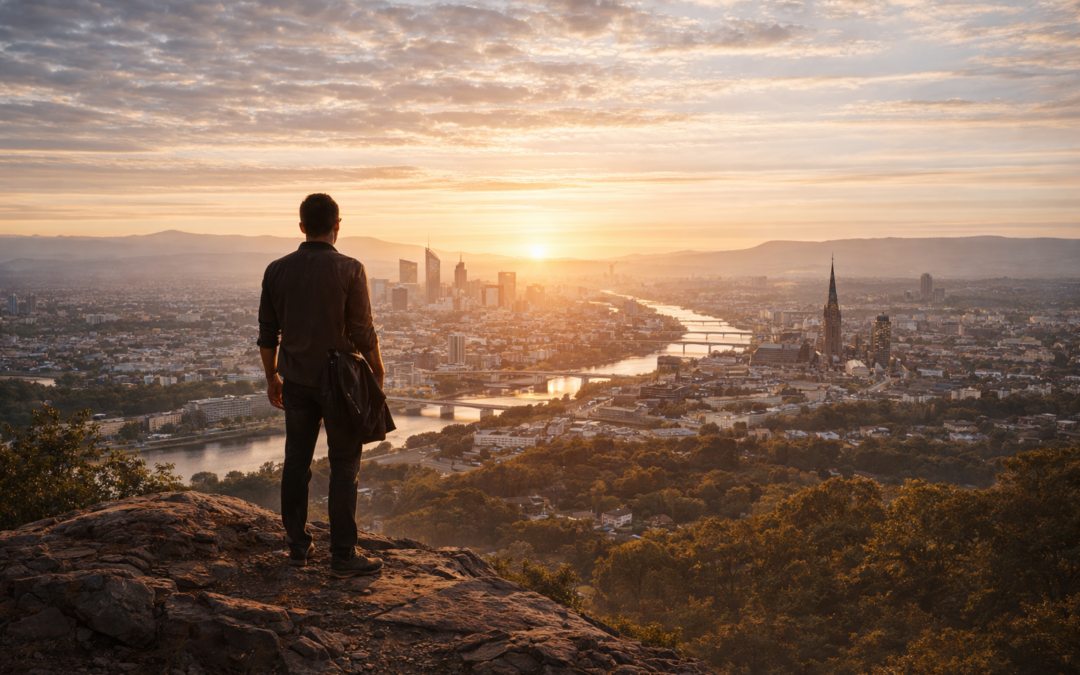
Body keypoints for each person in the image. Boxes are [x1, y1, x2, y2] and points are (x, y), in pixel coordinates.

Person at [257, 193, 386, 578]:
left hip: (296, 379)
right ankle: (343, 556)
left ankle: (298, 547)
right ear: (337, 225)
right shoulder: (350, 268)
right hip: (340, 382)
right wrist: (377, 370)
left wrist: (271, 376)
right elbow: (362, 330)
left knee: (296, 462)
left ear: (302, 226)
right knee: (344, 464)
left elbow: (268, 333)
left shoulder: (276, 270)